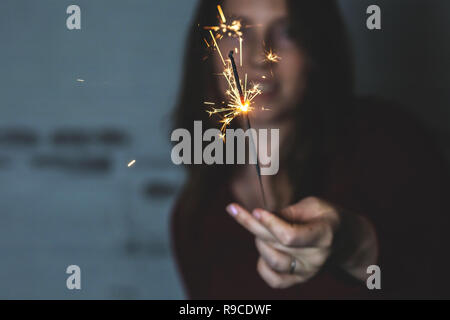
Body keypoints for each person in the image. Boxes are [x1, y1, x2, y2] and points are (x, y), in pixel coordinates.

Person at [170, 0, 450, 299]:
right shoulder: (196, 218)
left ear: (316, 47)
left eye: (289, 31)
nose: (260, 57)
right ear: (207, 49)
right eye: (236, 30)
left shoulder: (391, 143)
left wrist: (355, 246)